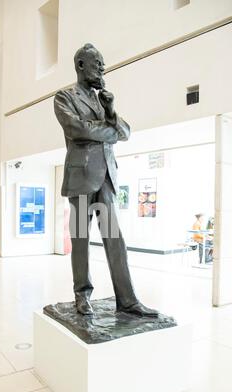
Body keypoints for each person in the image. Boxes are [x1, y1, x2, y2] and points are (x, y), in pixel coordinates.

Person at [54, 44, 160, 318]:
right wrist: (109, 132)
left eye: (102, 63)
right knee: (80, 239)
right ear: (80, 65)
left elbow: (124, 132)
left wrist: (111, 110)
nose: (102, 67)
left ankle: (127, 299)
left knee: (115, 240)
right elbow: (76, 129)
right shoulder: (64, 97)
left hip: (106, 181)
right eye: (97, 62)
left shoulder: (104, 100)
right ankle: (82, 296)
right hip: (80, 180)